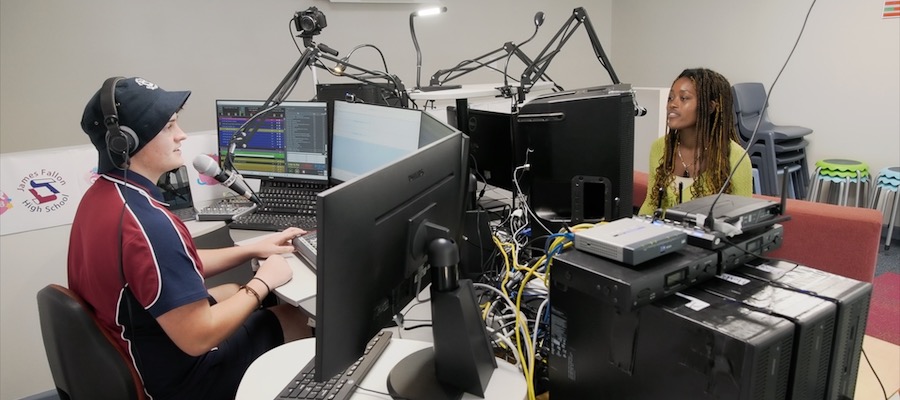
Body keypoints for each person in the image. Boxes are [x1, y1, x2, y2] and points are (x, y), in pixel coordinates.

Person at [68, 76, 312, 399]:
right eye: (169, 127)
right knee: (293, 316)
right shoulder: (149, 226)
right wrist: (264, 282)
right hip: (178, 382)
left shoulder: (102, 197)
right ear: (127, 142)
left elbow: (175, 265)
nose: (181, 135)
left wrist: (252, 249)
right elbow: (199, 337)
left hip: (142, 346)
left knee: (232, 291)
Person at [638, 68, 753, 216]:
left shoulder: (736, 157)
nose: (672, 104)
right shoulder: (660, 147)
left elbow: (742, 221)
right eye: (671, 98)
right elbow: (651, 203)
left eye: (684, 98)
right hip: (664, 236)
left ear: (710, 107)